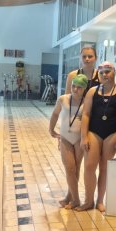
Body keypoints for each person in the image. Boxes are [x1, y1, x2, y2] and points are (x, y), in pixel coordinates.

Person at [78, 62, 116, 212]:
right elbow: (86, 114)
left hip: (112, 133)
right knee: (89, 166)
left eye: (107, 71)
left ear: (114, 73)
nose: (104, 74)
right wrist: (83, 137)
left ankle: (100, 201)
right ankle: (88, 200)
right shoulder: (92, 91)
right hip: (94, 132)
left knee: (104, 167)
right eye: (101, 72)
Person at [49, 73, 88, 209]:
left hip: (79, 139)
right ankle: (76, 200)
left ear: (84, 88)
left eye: (79, 87)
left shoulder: (87, 102)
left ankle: (69, 197)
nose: (75, 89)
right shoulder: (63, 99)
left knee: (76, 169)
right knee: (70, 168)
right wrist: (51, 129)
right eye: (73, 86)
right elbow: (55, 114)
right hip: (65, 138)